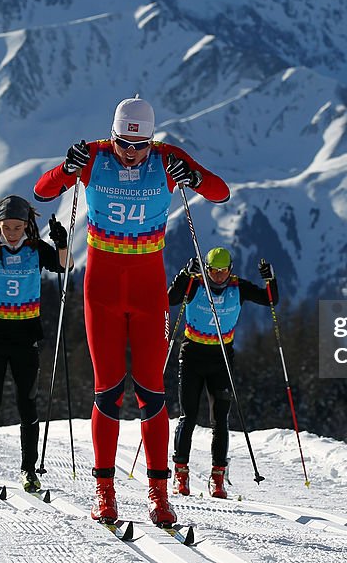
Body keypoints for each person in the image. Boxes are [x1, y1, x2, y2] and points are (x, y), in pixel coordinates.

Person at [33, 97, 229, 526]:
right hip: (100, 289)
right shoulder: (94, 154)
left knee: (151, 393)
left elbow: (220, 192)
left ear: (151, 140)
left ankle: (159, 498)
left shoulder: (167, 158)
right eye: (124, 143)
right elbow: (43, 191)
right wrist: (68, 168)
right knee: (107, 392)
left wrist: (192, 176)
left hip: (148, 292)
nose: (130, 153)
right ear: (114, 133)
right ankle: (105, 494)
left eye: (139, 146)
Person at [0, 195, 69, 493]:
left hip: (25, 337)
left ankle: (29, 470)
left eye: (18, 227)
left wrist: (61, 244)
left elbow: (64, 267)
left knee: (27, 404)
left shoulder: (35, 250)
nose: (12, 233)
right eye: (7, 227)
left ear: (28, 226)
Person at [168, 247, 278, 499]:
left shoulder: (239, 287)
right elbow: (171, 299)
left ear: (231, 269)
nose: (218, 277)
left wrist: (270, 279)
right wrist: (185, 274)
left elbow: (270, 300)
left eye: (223, 271)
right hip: (192, 355)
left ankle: (218, 477)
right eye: (213, 271)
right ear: (206, 269)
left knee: (220, 419)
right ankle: (180, 474)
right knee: (190, 416)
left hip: (221, 358)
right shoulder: (194, 284)